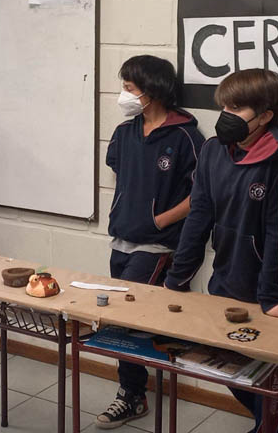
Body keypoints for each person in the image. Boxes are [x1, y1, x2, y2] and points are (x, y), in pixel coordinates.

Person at [164, 68, 278, 432]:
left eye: (237, 108)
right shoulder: (213, 151)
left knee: (268, 375)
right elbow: (199, 216)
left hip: (274, 283)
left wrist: (273, 297)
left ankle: (273, 422)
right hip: (229, 275)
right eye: (224, 106)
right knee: (227, 365)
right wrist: (176, 279)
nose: (226, 114)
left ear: (265, 116)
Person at [96, 55, 205, 429]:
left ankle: (131, 395)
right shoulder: (125, 132)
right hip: (121, 239)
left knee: (128, 317)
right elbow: (120, 173)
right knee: (122, 318)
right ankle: (135, 389)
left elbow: (201, 194)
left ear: (152, 91)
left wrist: (159, 220)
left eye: (129, 88)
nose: (123, 94)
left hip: (157, 245)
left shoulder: (186, 137)